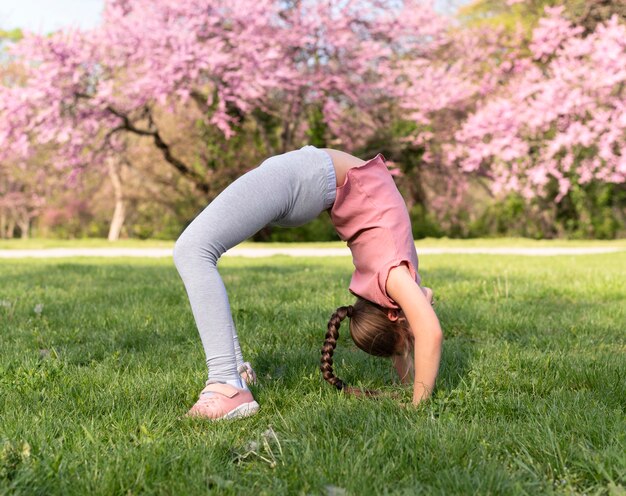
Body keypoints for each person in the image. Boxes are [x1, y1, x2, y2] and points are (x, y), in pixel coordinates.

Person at [173, 145, 443, 420]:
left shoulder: (396, 279)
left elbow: (417, 330)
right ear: (395, 315)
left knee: (192, 250)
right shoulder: (397, 279)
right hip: (310, 177)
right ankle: (235, 375)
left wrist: (413, 394)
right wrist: (416, 400)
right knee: (195, 250)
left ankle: (227, 384)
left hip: (307, 175)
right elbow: (423, 331)